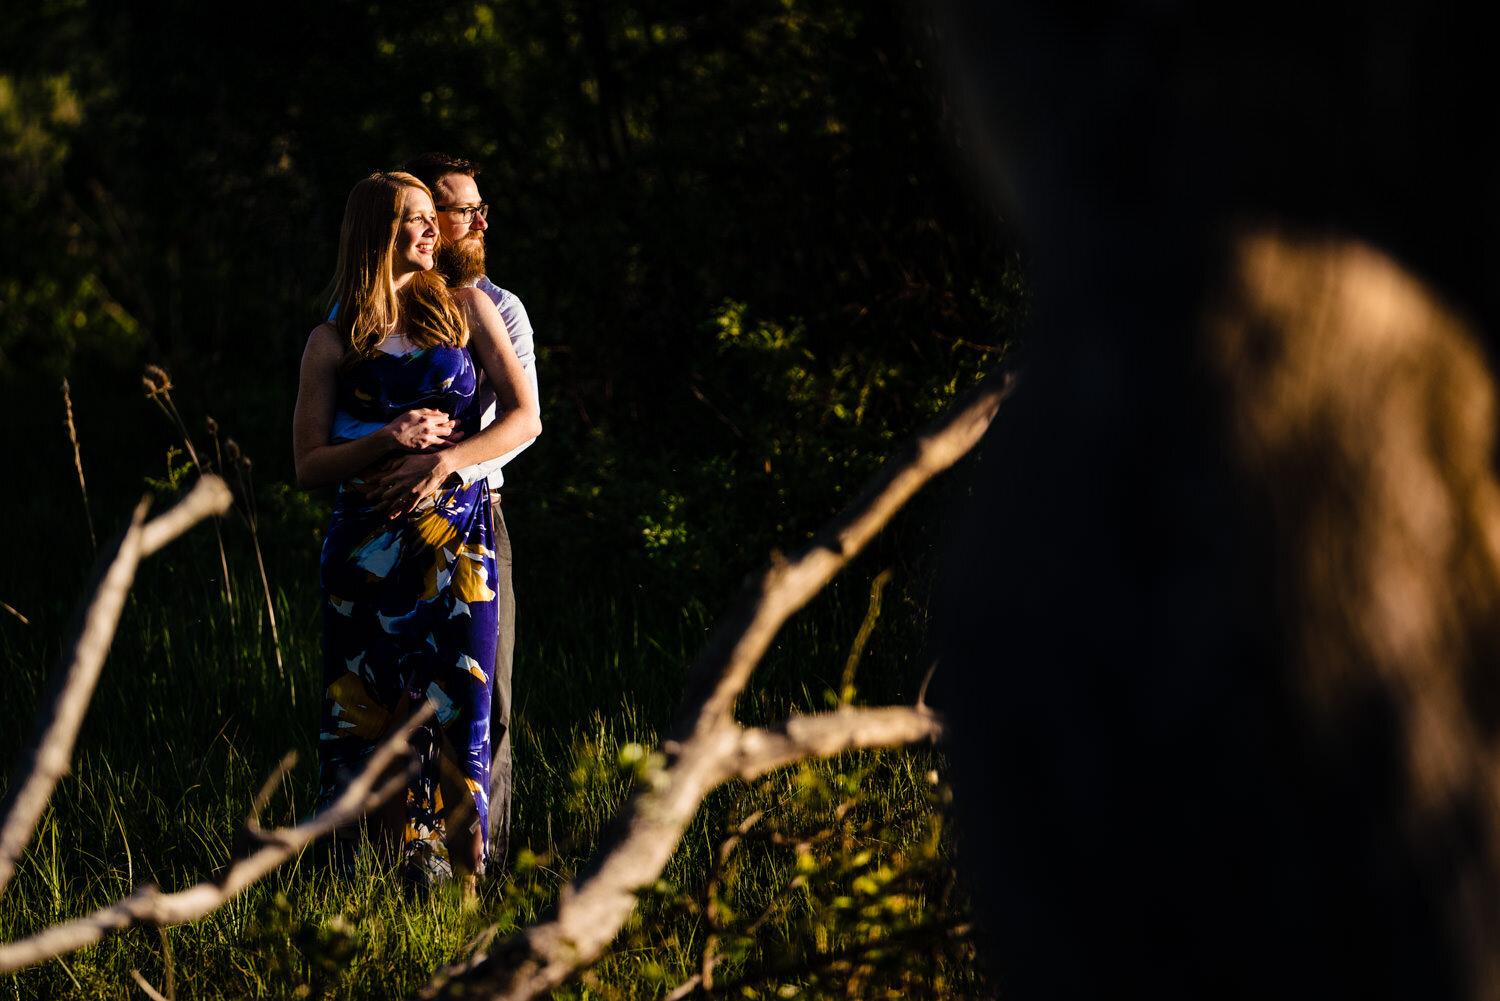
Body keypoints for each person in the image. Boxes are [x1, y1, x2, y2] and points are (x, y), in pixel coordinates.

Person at [292, 171, 541, 894]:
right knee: (364, 726)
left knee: (465, 711)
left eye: (437, 217)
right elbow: (308, 464)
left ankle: (465, 905)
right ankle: (362, 888)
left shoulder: (469, 309)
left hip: (461, 549)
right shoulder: (332, 338)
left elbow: (524, 417)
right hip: (364, 558)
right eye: (416, 218)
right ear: (376, 230)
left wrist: (448, 463)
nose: (436, 230)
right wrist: (388, 436)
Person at [397, 152, 537, 869]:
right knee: (404, 700)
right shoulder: (382, 308)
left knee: (492, 700)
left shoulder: (499, 307)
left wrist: (451, 464)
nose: (480, 219)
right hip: (393, 528)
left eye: (481, 207)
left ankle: (489, 863)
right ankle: (412, 866)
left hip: (481, 517)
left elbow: (524, 421)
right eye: (463, 209)